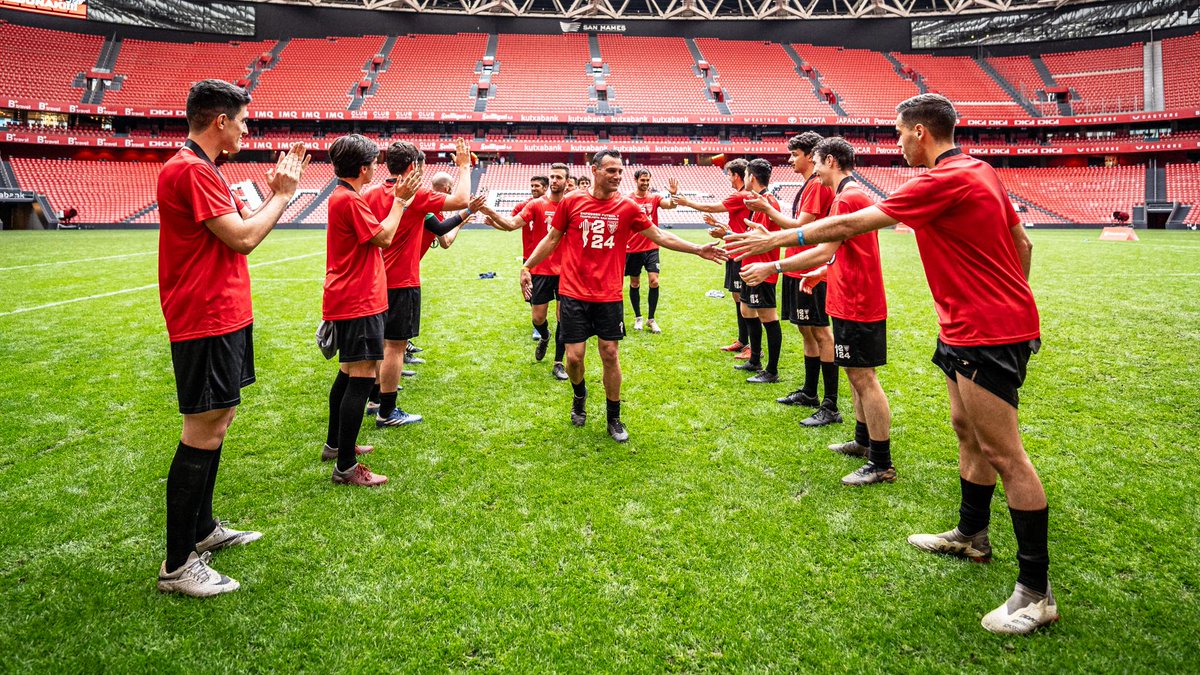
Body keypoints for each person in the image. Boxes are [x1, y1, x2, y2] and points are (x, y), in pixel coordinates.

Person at [725, 93, 1055, 635]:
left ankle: (1036, 594)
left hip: (987, 331)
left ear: (920, 132)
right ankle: (971, 533)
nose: (896, 143)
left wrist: (775, 244)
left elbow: (847, 230)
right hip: (971, 325)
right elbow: (1022, 243)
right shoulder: (982, 171)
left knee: (1004, 452)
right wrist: (1011, 295)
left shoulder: (939, 180)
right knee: (965, 431)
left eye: (899, 133)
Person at [156, 79, 308, 597]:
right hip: (205, 317)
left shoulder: (203, 169)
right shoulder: (192, 170)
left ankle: (201, 530)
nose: (247, 128)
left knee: (217, 420)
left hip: (222, 315)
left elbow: (235, 230)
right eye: (242, 120)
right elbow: (243, 238)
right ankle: (178, 564)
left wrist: (268, 197)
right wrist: (282, 196)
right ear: (220, 120)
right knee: (202, 429)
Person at [519, 149, 726, 442]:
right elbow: (552, 238)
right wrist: (527, 266)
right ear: (594, 170)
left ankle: (613, 417)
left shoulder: (627, 207)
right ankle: (580, 396)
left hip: (608, 296)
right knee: (575, 359)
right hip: (573, 293)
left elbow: (660, 235)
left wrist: (697, 248)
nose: (617, 176)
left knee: (610, 354)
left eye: (619, 171)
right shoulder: (572, 202)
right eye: (611, 171)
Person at [741, 138, 894, 487]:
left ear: (829, 160)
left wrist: (773, 267)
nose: (815, 170)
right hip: (847, 296)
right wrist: (823, 272)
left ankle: (881, 462)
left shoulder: (848, 197)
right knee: (856, 375)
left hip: (858, 301)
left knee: (864, 378)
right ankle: (863, 440)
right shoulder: (848, 196)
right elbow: (842, 252)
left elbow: (824, 248)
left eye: (817, 162)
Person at [322, 134, 422, 488]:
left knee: (348, 374)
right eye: (373, 164)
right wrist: (400, 203)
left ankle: (336, 446)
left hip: (348, 295)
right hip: (359, 298)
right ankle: (347, 468)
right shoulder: (349, 200)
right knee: (361, 380)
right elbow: (384, 237)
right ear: (363, 168)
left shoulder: (342, 196)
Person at [370, 138, 473, 427]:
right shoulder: (416, 196)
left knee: (378, 344)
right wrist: (464, 166)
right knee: (394, 347)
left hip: (375, 279)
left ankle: (375, 398)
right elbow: (461, 201)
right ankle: (387, 412)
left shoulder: (372, 193)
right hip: (402, 280)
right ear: (414, 166)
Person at [674, 159, 783, 383]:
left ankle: (771, 370)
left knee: (768, 316)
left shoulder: (766, 202)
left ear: (751, 177)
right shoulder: (759, 201)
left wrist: (725, 234)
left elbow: (759, 238)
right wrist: (727, 231)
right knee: (746, 310)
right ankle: (754, 359)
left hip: (761, 267)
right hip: (750, 264)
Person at [478, 163, 571, 380]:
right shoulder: (536, 205)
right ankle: (545, 335)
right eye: (553, 176)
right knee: (538, 318)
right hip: (540, 269)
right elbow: (512, 224)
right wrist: (489, 211)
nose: (555, 180)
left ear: (567, 181)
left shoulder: (571, 206)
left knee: (563, 318)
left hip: (566, 271)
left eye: (559, 177)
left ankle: (558, 362)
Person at [776, 133, 841, 427]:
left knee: (820, 332)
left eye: (795, 154)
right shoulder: (810, 184)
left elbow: (802, 226)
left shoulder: (816, 184)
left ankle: (830, 403)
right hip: (798, 266)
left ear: (810, 155)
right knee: (807, 330)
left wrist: (768, 214)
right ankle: (810, 392)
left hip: (810, 267)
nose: (790, 160)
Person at [675, 159, 753, 359]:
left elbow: (711, 206)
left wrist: (687, 202)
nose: (728, 177)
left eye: (729, 174)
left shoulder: (740, 195)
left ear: (736, 175)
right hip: (734, 249)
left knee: (746, 300)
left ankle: (752, 345)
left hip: (740, 251)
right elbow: (737, 224)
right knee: (738, 297)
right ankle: (743, 340)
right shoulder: (743, 196)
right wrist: (718, 224)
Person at [625, 169, 678, 333]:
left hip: (652, 247)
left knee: (654, 281)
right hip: (633, 248)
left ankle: (651, 319)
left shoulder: (654, 198)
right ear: (636, 180)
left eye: (648, 180)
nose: (646, 183)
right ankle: (638, 317)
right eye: (643, 180)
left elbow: (670, 205)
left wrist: (674, 195)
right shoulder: (628, 199)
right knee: (635, 283)